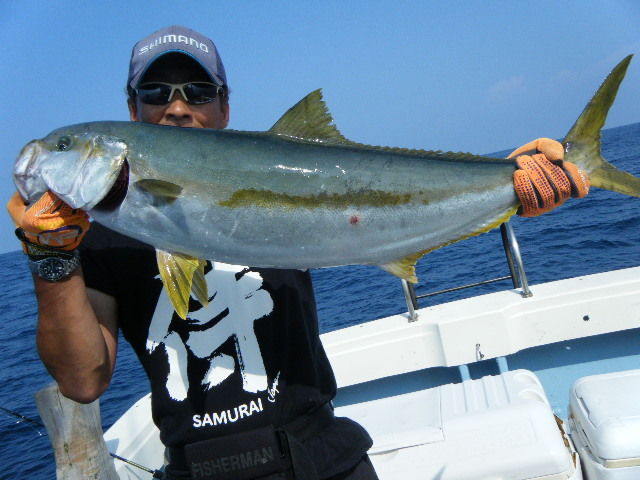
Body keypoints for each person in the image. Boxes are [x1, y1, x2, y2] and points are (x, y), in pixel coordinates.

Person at [7, 25, 590, 480]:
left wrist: (507, 186)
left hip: (323, 457)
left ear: (225, 107)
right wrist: (49, 257)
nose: (177, 107)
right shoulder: (101, 236)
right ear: (132, 111)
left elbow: (392, 199)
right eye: (156, 93)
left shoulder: (281, 166)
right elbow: (83, 381)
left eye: (199, 92)